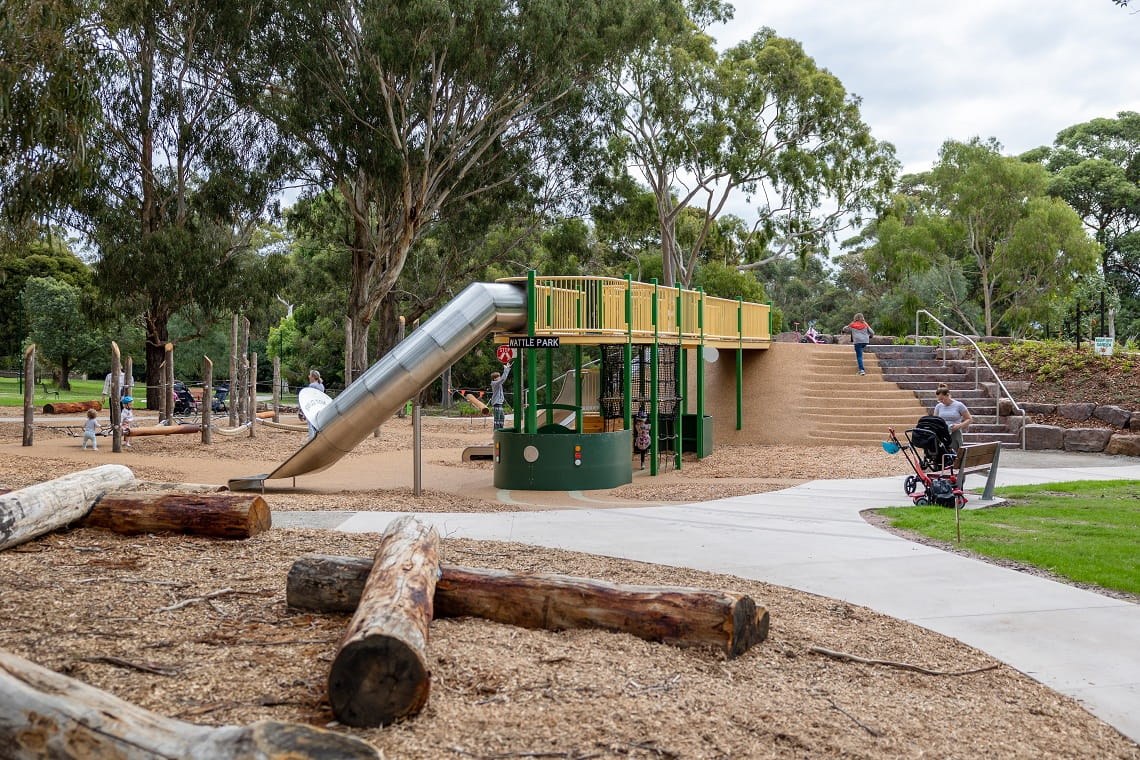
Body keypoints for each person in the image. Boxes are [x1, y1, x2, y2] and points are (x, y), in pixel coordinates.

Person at [933, 383, 972, 450]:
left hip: (955, 433)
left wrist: (959, 426)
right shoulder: (939, 406)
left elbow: (969, 419)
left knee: (955, 453)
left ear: (948, 395)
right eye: (939, 400)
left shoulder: (959, 405)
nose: (941, 401)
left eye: (942, 399)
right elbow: (935, 420)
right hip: (942, 433)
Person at [489, 361, 512, 430]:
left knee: (502, 417)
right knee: (497, 419)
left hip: (500, 403)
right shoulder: (494, 383)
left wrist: (507, 368)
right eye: (498, 377)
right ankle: (496, 431)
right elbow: (503, 379)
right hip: (497, 403)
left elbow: (502, 378)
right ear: (494, 378)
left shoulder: (498, 383)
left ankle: (500, 429)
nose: (499, 378)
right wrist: (506, 369)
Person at [304, 370, 325, 439]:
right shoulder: (321, 385)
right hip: (319, 406)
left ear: (313, 377)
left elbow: (309, 396)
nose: (309, 376)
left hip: (312, 406)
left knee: (310, 423)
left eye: (310, 375)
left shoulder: (312, 385)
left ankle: (311, 438)